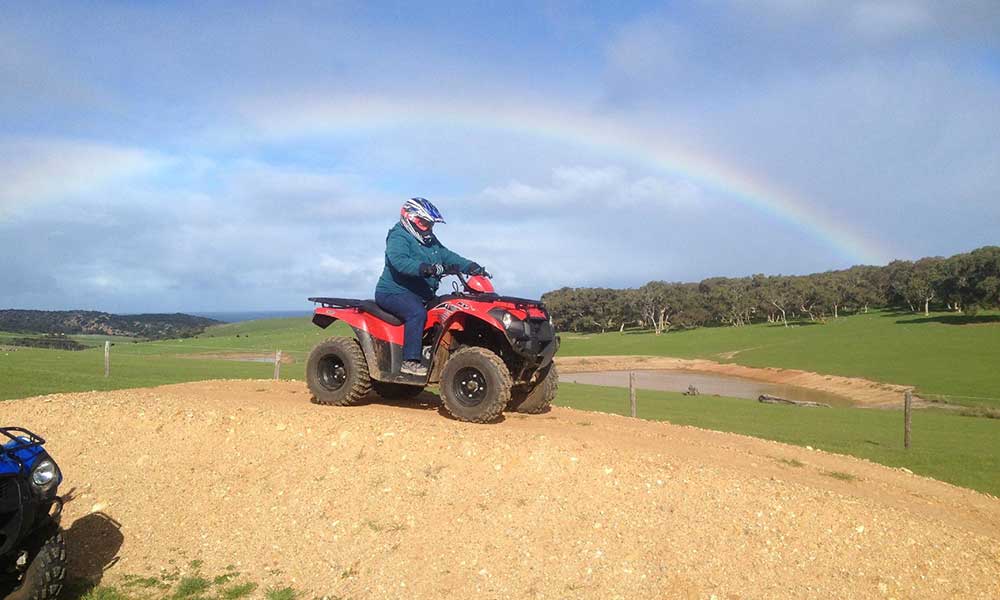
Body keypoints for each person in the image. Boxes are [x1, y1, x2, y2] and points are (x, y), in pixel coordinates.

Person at [375, 198, 487, 376]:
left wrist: (472, 267)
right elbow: (399, 261)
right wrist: (424, 268)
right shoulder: (398, 236)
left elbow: (447, 256)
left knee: (447, 307)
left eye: (430, 223)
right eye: (423, 222)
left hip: (421, 294)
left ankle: (437, 352)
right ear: (409, 218)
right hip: (394, 292)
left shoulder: (430, 240)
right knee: (416, 313)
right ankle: (410, 361)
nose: (427, 227)